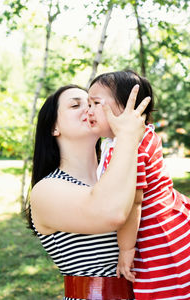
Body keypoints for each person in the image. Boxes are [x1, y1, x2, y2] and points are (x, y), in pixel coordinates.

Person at [28, 83, 150, 300]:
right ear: (53, 128)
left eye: (94, 103)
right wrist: (127, 137)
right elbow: (110, 213)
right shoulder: (45, 191)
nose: (90, 109)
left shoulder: (122, 174)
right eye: (76, 105)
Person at [88, 69, 190, 299]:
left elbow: (132, 203)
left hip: (158, 236)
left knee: (166, 290)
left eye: (95, 103)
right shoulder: (129, 139)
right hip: (170, 219)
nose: (89, 110)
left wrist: (125, 250)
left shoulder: (129, 148)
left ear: (128, 109)